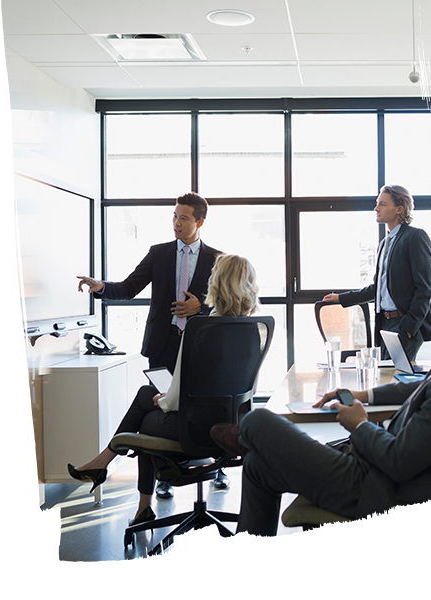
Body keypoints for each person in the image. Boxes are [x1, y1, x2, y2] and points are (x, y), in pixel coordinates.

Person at [68, 254, 260, 527]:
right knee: (147, 398)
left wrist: (164, 401)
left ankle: (134, 495)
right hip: (231, 427)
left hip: (194, 429)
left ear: (217, 281)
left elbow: (181, 392)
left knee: (146, 413)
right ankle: (109, 469)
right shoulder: (253, 328)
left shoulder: (203, 329)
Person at [76, 192, 228, 496]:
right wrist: (101, 287)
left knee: (201, 402)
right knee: (161, 409)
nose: (176, 222)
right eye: (174, 216)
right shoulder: (158, 253)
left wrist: (202, 308)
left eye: (183, 217)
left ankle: (217, 467)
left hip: (200, 348)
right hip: (163, 345)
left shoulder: (217, 259)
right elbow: (131, 287)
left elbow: (227, 303)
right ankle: (164, 475)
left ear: (200, 221)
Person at [210, 373, 431, 562]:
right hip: (373, 468)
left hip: (380, 490)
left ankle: (247, 439)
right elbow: (419, 386)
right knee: (256, 466)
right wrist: (362, 396)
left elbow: (399, 462)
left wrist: (360, 426)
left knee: (256, 421)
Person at [322, 184, 431, 361]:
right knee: (386, 379)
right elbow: (378, 288)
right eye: (377, 203)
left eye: (383, 204)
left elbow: (425, 288)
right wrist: (342, 298)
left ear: (399, 209)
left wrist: (410, 326)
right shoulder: (383, 244)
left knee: (396, 383)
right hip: (384, 322)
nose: (376, 208)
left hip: (403, 323)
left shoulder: (415, 237)